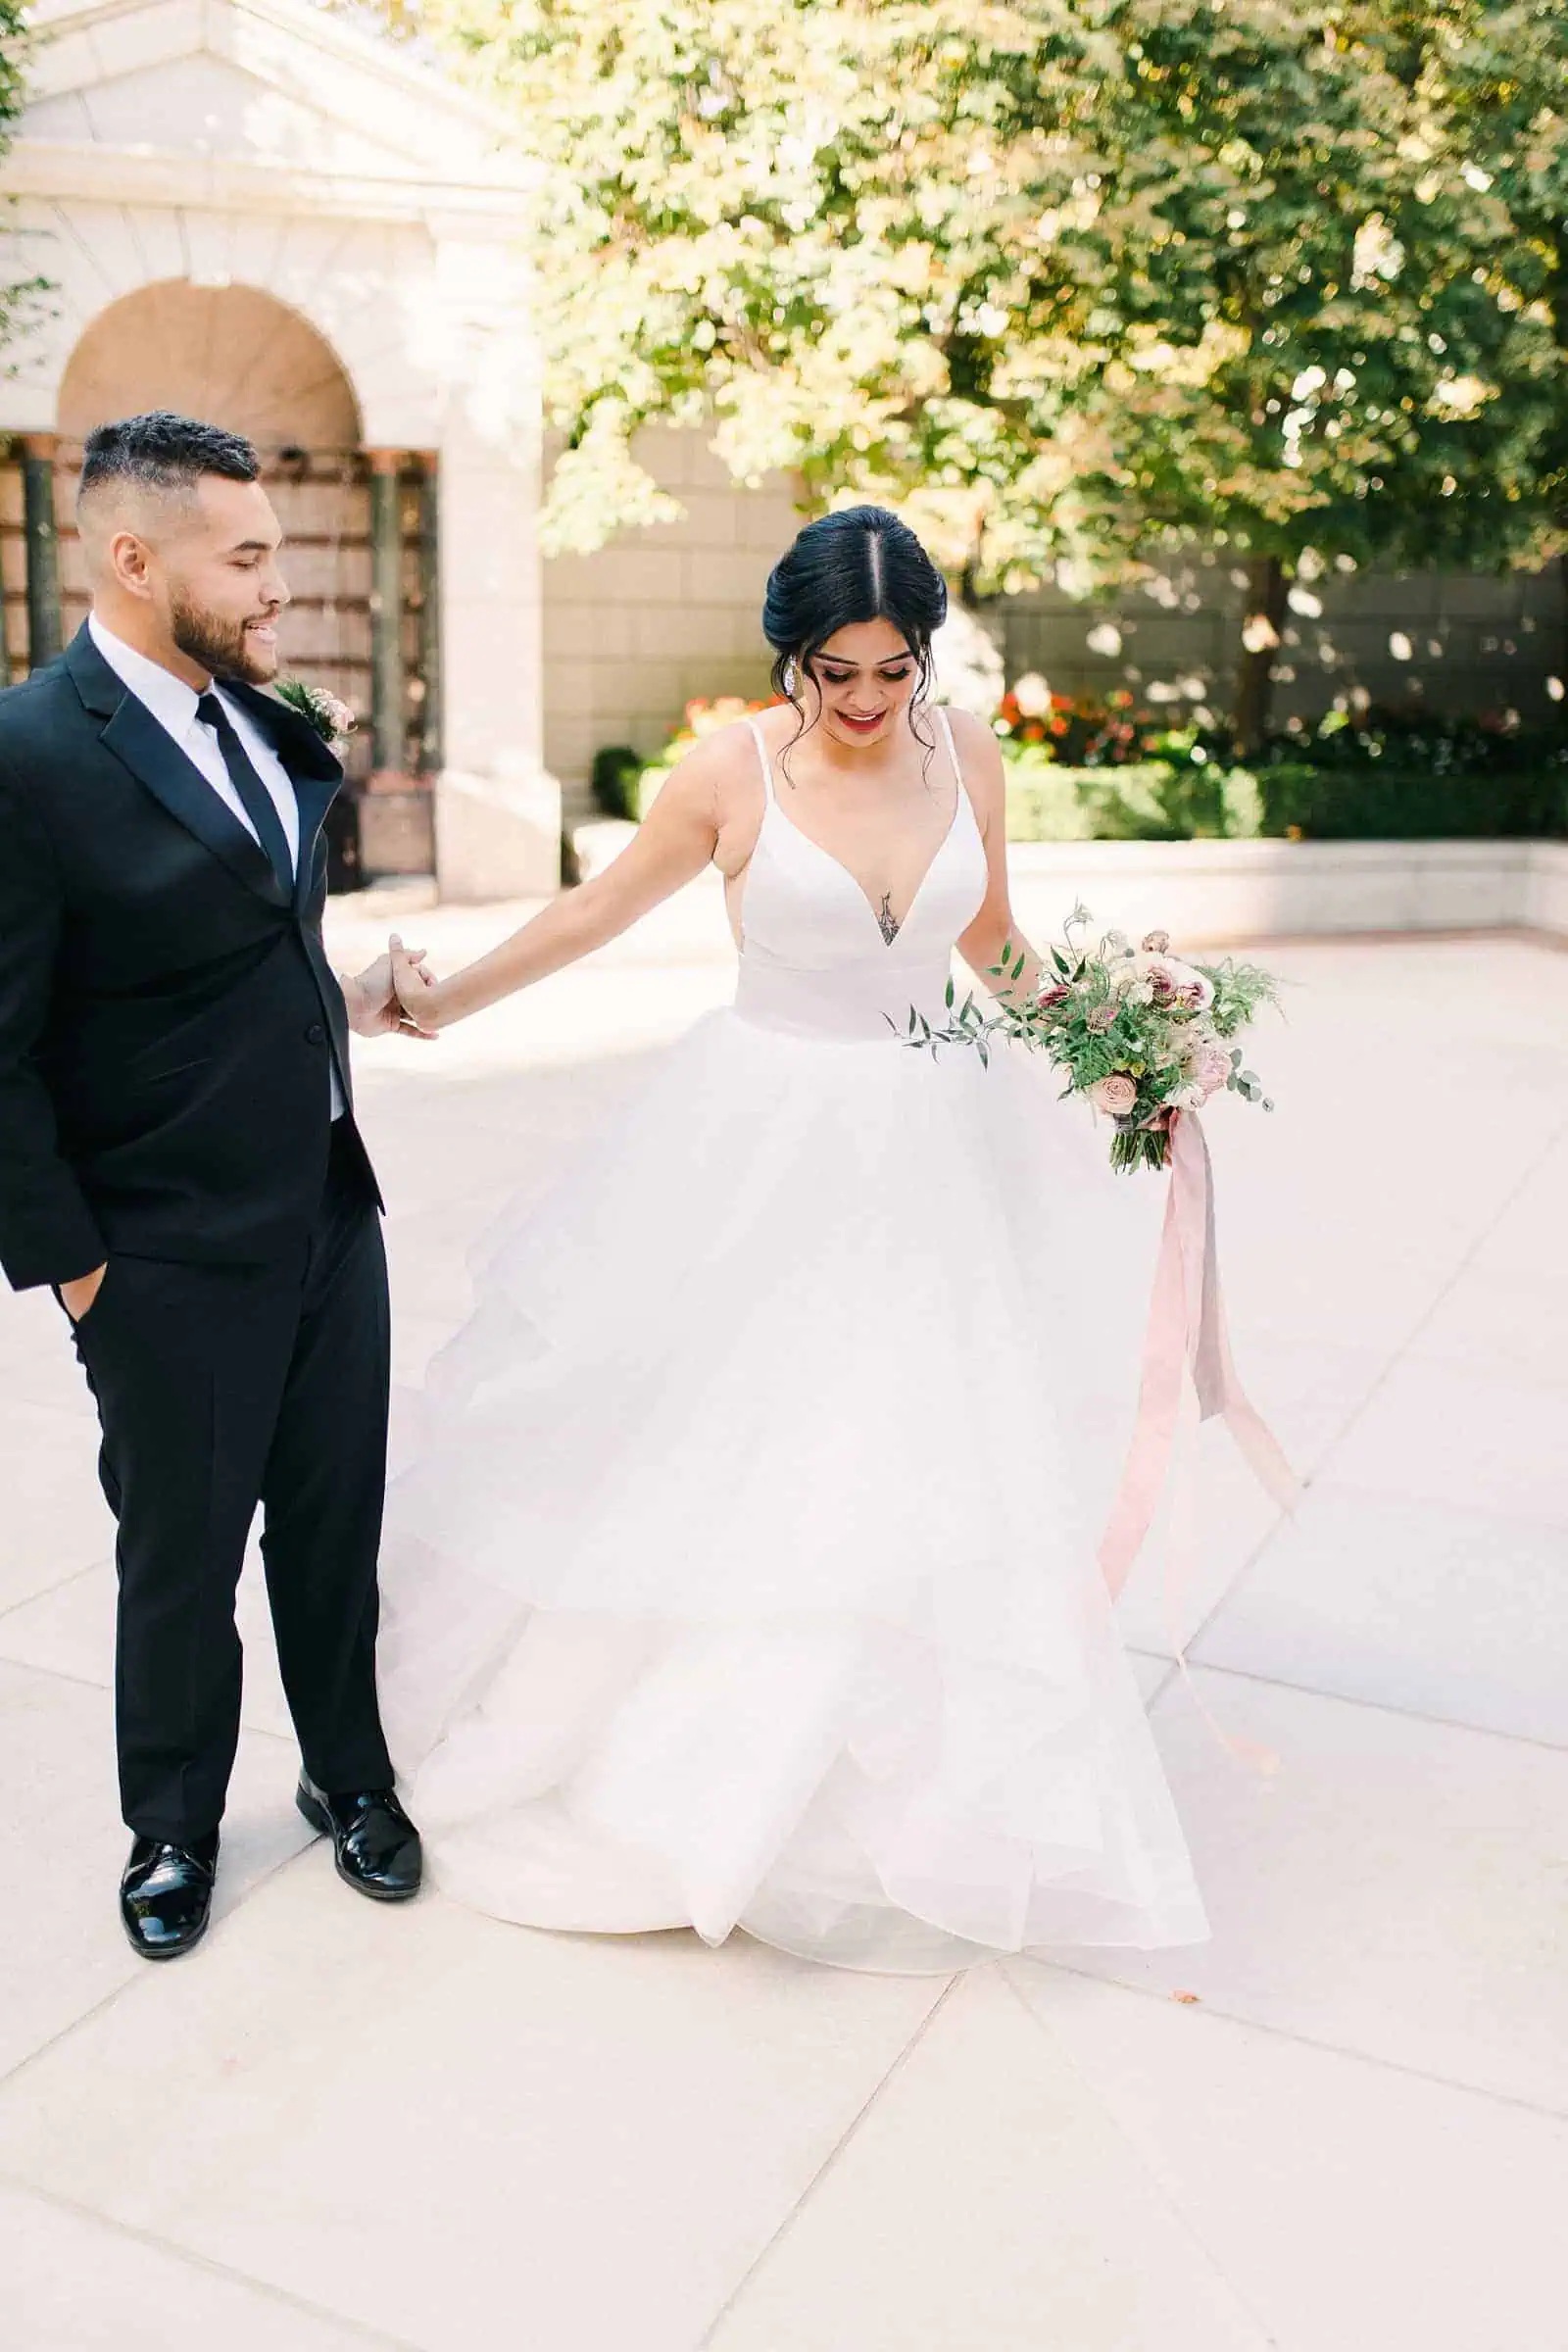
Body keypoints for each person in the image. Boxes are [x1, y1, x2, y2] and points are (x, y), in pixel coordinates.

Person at [378, 505, 1207, 1973]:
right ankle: (692, 1776)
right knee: (731, 1444)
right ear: (791, 657)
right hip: (759, 1146)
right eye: (839, 673)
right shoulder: (731, 770)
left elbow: (992, 945)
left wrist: (1115, 1049)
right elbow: (593, 915)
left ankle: (886, 1775)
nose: (872, 703)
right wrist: (445, 1004)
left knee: (918, 1453)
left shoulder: (975, 758)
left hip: (935, 1145)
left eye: (897, 670)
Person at [0, 411, 426, 1962]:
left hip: (327, 1208)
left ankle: (350, 1778)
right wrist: (79, 1270)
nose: (278, 586)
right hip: (159, 1251)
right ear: (133, 559)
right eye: (246, 557)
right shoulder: (29, 753)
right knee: (177, 1554)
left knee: (333, 1527)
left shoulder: (266, 724)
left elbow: (252, 941)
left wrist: (350, 998)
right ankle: (171, 1826)